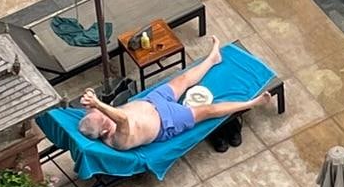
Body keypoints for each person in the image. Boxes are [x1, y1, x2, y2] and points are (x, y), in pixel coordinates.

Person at [76, 40, 276, 151]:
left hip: (151, 101)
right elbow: (122, 117)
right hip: (166, 122)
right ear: (103, 132)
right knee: (208, 110)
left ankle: (213, 59)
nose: (102, 113)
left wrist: (90, 97)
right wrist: (99, 105)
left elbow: (93, 105)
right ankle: (252, 102)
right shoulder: (118, 139)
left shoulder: (98, 120)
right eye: (103, 117)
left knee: (183, 80)